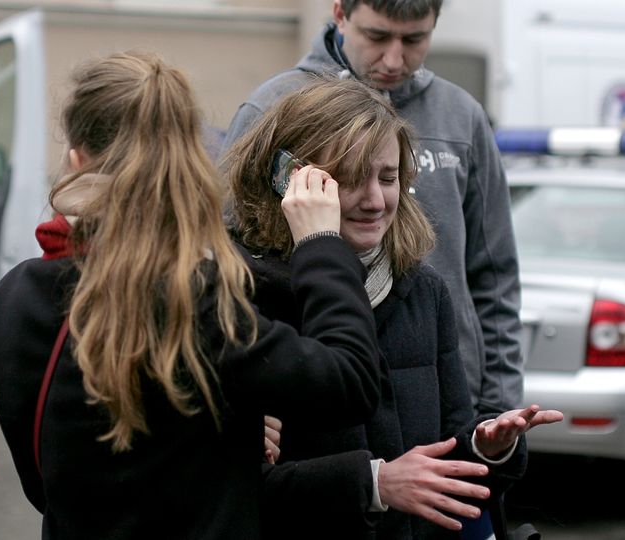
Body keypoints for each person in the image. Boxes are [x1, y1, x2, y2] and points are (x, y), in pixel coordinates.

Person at [0, 51, 383, 540]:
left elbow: (46, 483)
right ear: (189, 161)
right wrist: (321, 245)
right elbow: (351, 381)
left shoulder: (13, 299)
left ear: (76, 158)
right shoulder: (199, 298)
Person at [222, 76, 562, 540]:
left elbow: (446, 459)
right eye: (348, 179)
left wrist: (486, 446)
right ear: (291, 180)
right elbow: (232, 495)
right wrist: (375, 483)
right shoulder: (241, 296)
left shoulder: (423, 290)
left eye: (388, 177)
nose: (375, 200)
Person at [222, 0, 524, 420]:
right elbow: (230, 254)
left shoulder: (461, 117)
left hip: (443, 393)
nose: (395, 59)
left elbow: (494, 276)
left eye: (415, 39)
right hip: (316, 392)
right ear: (341, 14)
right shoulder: (273, 106)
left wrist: (498, 403)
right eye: (378, 37)